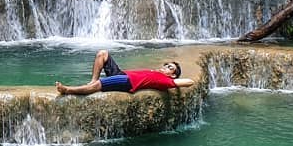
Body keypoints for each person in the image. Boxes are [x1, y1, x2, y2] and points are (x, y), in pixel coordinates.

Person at [55, 49, 194, 95]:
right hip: (122, 75)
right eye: (166, 65)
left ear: (173, 75)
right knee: (102, 54)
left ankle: (68, 90)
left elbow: (190, 82)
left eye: (170, 68)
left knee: (99, 85)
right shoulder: (155, 72)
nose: (165, 67)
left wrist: (175, 81)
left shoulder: (166, 81)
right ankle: (92, 81)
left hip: (128, 82)